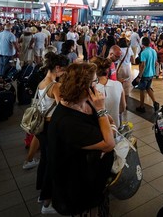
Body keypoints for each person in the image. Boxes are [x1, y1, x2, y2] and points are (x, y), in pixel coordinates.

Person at [48, 62, 115, 216]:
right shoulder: (67, 122)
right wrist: (101, 109)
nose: (97, 86)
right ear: (83, 86)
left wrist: (101, 113)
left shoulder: (84, 101)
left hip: (92, 173)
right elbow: (109, 143)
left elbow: (110, 121)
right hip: (75, 182)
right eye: (94, 82)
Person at [34, 52, 69, 214]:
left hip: (41, 127)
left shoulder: (43, 81)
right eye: (64, 70)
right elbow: (64, 107)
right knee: (52, 163)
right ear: (57, 68)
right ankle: (47, 203)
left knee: (45, 159)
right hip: (50, 127)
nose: (64, 74)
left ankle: (41, 192)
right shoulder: (55, 86)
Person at [90, 56, 126, 128]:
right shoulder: (118, 84)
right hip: (115, 126)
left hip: (99, 128)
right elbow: (122, 108)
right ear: (107, 70)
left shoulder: (91, 90)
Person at [134, 36, 159, 113]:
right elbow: (156, 63)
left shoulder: (144, 52)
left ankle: (142, 106)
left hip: (145, 75)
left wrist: (139, 76)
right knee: (148, 88)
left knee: (142, 90)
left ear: (142, 44)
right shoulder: (154, 51)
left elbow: (143, 65)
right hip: (151, 74)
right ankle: (155, 102)